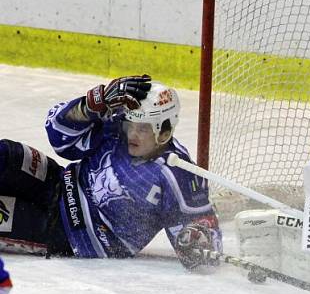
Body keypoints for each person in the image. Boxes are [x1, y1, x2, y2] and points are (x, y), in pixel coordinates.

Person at [0, 75, 221, 271]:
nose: (133, 134)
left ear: (164, 130)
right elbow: (58, 138)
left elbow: (204, 236)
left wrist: (198, 239)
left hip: (70, 232)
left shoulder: (178, 174)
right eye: (131, 124)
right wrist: (89, 107)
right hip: (57, 180)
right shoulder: (118, 126)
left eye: (143, 128)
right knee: (4, 153)